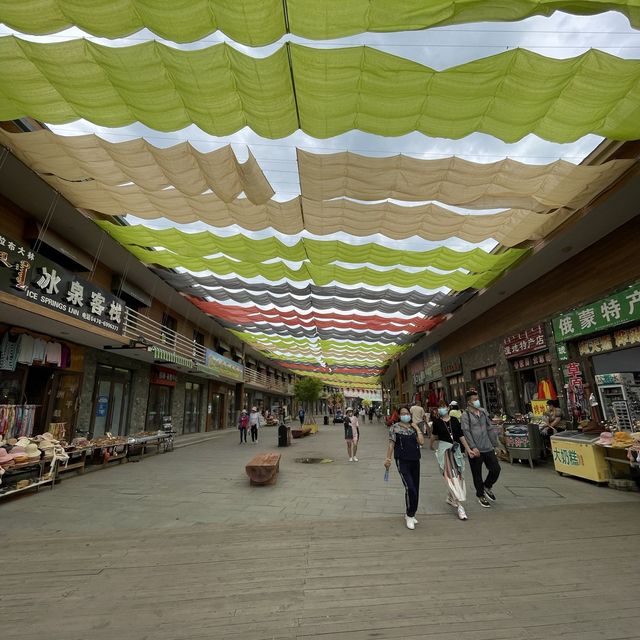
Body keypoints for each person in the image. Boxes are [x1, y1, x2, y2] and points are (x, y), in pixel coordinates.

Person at [384, 405, 425, 530]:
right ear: (399, 415)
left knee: (416, 488)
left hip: (415, 459)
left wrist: (417, 428)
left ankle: (412, 512)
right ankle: (409, 515)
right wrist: (388, 459)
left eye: (407, 413)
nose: (405, 415)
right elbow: (391, 444)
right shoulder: (394, 428)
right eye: (403, 413)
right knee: (410, 487)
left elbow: (422, 442)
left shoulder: (413, 428)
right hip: (402, 460)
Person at [430, 401, 471, 520]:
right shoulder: (437, 422)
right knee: (450, 476)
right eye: (440, 407)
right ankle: (460, 506)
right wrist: (431, 445)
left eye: (444, 407)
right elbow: (433, 436)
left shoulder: (454, 420)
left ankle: (450, 497)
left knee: (458, 475)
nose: (442, 409)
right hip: (444, 452)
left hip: (456, 450)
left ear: (448, 408)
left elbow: (460, 435)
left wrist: (468, 449)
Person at [461, 390, 501, 508]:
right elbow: (466, 432)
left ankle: (487, 485)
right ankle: (480, 495)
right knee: (477, 474)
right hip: (476, 449)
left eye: (477, 399)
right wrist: (472, 447)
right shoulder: (466, 415)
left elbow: (490, 428)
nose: (477, 401)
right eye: (474, 399)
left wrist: (496, 445)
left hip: (488, 447)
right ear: (469, 402)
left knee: (496, 469)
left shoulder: (483, 412)